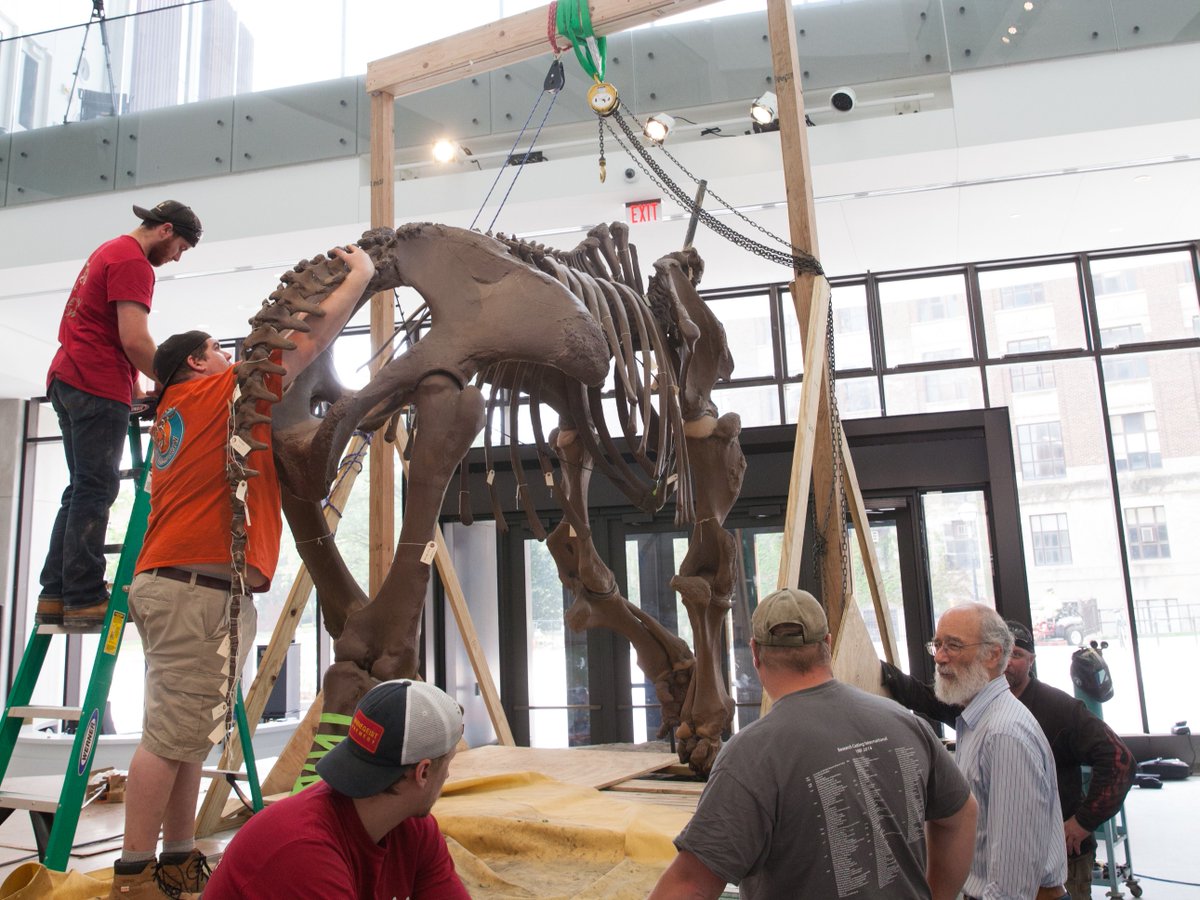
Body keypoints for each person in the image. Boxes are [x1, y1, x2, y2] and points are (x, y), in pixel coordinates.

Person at [108, 243, 374, 899]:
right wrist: (362, 279)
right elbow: (304, 343)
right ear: (199, 362)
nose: (235, 360)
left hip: (195, 589)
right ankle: (135, 874)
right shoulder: (213, 396)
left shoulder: (180, 413)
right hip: (193, 591)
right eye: (221, 351)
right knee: (170, 736)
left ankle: (175, 859)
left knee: (189, 736)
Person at [649, 588, 978, 900]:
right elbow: (962, 814)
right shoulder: (906, 722)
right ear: (827, 643)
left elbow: (690, 886)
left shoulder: (752, 755)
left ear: (754, 652)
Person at [882, 620, 1134, 900]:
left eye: (1017, 655)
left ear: (1030, 661)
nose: (1008, 662)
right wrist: (880, 670)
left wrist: (1083, 822)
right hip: (996, 872)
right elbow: (924, 697)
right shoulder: (975, 707)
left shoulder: (1054, 711)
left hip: (1055, 865)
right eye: (938, 645)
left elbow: (1119, 759)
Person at [37, 200, 201, 632]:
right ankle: (85, 595)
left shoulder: (107, 251)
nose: (177, 258)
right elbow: (133, 338)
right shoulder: (135, 263)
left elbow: (106, 331)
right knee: (97, 487)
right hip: (94, 383)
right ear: (165, 230)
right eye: (180, 247)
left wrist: (138, 390)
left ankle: (55, 595)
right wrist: (171, 383)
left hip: (69, 376)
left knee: (80, 490)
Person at [204, 679, 470, 900]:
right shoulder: (304, 852)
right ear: (422, 772)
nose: (447, 774)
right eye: (447, 762)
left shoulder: (411, 828)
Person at [925, 602, 1068, 900]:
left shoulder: (1004, 733)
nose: (940, 657)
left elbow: (1012, 884)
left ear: (993, 655)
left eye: (953, 645)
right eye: (937, 645)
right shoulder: (977, 721)